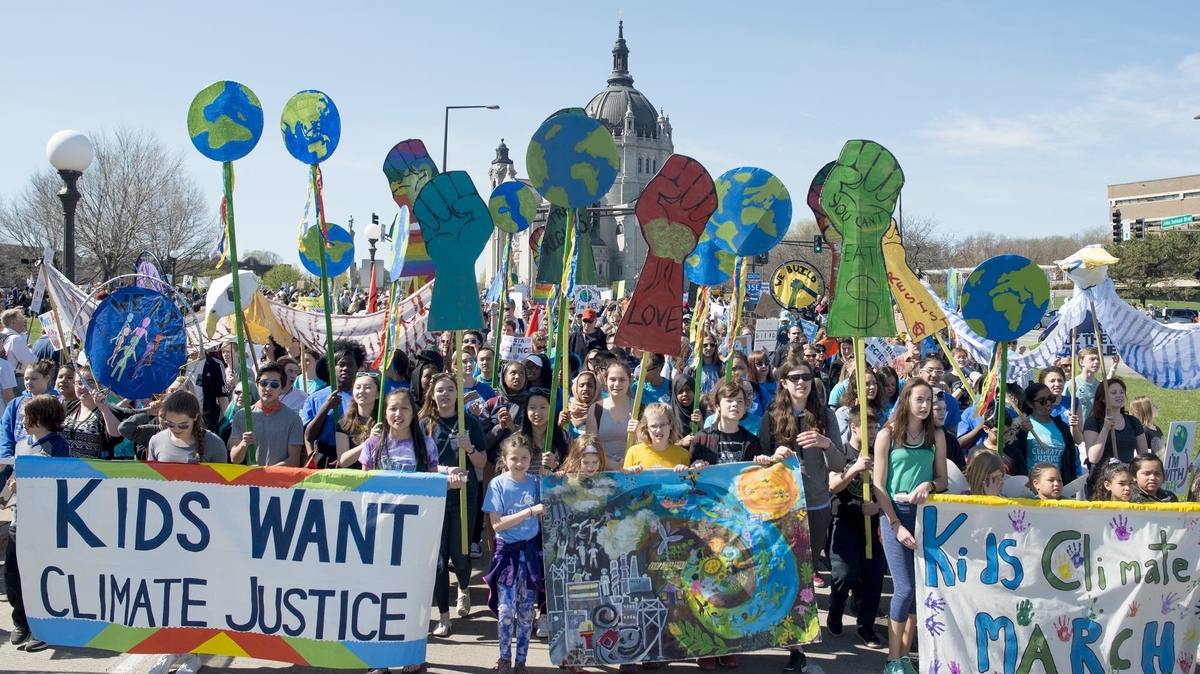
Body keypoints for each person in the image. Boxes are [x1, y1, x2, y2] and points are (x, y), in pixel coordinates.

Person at [872, 378, 947, 674]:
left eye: (929, 400)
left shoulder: (936, 435)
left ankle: (905, 653)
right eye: (920, 399)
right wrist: (894, 524)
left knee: (919, 588)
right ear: (906, 401)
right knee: (903, 587)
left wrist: (929, 484)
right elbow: (879, 485)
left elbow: (942, 479)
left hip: (924, 515)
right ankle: (893, 658)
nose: (925, 405)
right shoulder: (887, 435)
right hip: (895, 514)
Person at [757, 359, 845, 590]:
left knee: (808, 568)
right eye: (794, 378)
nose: (801, 382)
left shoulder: (826, 415)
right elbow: (760, 462)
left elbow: (838, 465)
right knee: (782, 569)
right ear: (784, 382)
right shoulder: (771, 416)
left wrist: (826, 443)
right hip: (782, 504)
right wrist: (774, 456)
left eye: (806, 377)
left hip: (816, 503)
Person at [422, 374, 489, 638]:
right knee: (438, 559)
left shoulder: (469, 422)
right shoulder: (425, 425)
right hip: (435, 497)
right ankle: (444, 617)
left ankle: (463, 588)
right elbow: (421, 464)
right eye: (440, 390)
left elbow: (482, 463)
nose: (446, 394)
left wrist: (469, 448)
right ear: (432, 395)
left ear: (458, 394)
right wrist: (446, 470)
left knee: (460, 557)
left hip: (464, 497)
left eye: (451, 389)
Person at [4, 394, 70, 655]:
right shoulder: (21, 445)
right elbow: (15, 477)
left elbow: (56, 482)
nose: (21, 421)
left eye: (25, 417)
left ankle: (41, 627)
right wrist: (11, 488)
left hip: (42, 524)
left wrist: (29, 484)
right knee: (12, 575)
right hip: (19, 520)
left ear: (40, 418)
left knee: (39, 577)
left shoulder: (57, 446)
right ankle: (20, 620)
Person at [483, 434, 545, 674]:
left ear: (531, 459)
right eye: (514, 458)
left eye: (524, 458)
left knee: (527, 611)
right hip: (506, 552)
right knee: (506, 610)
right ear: (504, 459)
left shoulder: (535, 483)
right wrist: (529, 511)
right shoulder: (497, 484)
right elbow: (497, 524)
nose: (519, 463)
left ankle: (521, 662)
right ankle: (504, 658)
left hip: (529, 552)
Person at [827, 406, 884, 649]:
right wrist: (855, 469)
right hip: (846, 519)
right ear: (853, 427)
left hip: (872, 523)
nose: (873, 432)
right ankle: (836, 609)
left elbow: (887, 486)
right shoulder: (841, 451)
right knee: (843, 574)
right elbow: (833, 486)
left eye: (875, 427)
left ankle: (866, 625)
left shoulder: (881, 452)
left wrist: (879, 508)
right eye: (868, 428)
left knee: (873, 577)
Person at [301, 339, 365, 468]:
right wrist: (326, 408)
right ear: (331, 367)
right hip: (325, 457)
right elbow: (309, 436)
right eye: (341, 364)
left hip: (355, 456)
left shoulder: (363, 397)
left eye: (351, 365)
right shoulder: (315, 398)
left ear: (357, 368)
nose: (345, 368)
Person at [228, 363, 304, 467]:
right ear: (257, 385)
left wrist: (265, 474)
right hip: (251, 480)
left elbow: (294, 460)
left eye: (274, 384)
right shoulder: (242, 415)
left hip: (281, 479)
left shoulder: (293, 419)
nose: (268, 388)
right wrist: (243, 444)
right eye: (264, 383)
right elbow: (235, 459)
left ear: (282, 388)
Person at [1004, 382, 1081, 484]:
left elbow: (1069, 457)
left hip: (1056, 486)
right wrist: (1023, 433)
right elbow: (1013, 453)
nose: (1049, 403)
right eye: (1042, 401)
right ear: (1030, 403)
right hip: (1030, 487)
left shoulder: (1062, 426)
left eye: (1051, 398)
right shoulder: (1019, 424)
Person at [0, 359, 57, 476]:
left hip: (43, 455)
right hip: (15, 457)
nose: (29, 382)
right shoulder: (15, 403)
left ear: (47, 378)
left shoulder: (56, 402)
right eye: (26, 379)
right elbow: (5, 431)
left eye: (34, 379)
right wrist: (6, 456)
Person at [138, 390, 228, 464]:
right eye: (169, 424)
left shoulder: (215, 444)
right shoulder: (156, 441)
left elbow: (223, 483)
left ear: (195, 416)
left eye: (183, 425)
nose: (176, 429)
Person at [691, 380, 762, 469]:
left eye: (740, 401)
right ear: (717, 406)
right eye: (729, 400)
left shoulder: (752, 441)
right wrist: (694, 465)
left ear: (744, 407)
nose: (735, 404)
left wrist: (763, 461)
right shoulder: (701, 439)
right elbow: (689, 474)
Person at [1083, 377, 1147, 467]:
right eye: (1113, 393)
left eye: (1121, 392)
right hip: (1102, 477)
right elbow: (1093, 458)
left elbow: (1144, 456)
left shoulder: (1133, 421)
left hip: (1127, 476)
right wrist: (1105, 429)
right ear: (1103, 398)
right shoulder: (1093, 422)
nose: (1119, 395)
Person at [62, 366, 123, 460]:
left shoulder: (110, 410)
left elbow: (116, 435)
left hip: (93, 471)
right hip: (65, 470)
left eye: (90, 383)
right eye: (79, 383)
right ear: (74, 385)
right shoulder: (67, 406)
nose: (83, 387)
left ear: (100, 385)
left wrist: (103, 407)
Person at [588, 361, 635, 468]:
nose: (617, 384)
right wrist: (613, 465)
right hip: (603, 470)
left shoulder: (640, 409)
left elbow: (648, 443)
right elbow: (591, 445)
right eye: (612, 379)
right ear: (605, 381)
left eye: (622, 380)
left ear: (630, 381)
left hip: (634, 469)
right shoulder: (595, 409)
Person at [331, 372, 380, 467]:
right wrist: (369, 442)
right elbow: (343, 462)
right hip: (354, 479)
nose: (362, 391)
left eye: (368, 387)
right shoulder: (344, 424)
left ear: (378, 394)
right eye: (358, 387)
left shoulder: (384, 422)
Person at [623, 402, 691, 471]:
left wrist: (683, 472)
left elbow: (689, 480)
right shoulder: (633, 452)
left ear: (671, 425)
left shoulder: (683, 455)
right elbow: (623, 480)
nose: (658, 430)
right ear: (646, 428)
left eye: (663, 425)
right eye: (653, 426)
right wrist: (630, 473)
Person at [0, 308, 37, 393]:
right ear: (13, 322)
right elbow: (29, 361)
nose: (24, 322)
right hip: (16, 380)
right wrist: (31, 351)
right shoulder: (16, 339)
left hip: (5, 378)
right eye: (22, 319)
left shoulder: (3, 336)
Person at [1065, 347, 1102, 419]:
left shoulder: (1101, 386)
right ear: (1081, 362)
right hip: (1077, 427)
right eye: (1092, 359)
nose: (1096, 362)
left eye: (1098, 359)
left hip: (1095, 428)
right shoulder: (1072, 384)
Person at [564, 370, 601, 439]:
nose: (585, 389)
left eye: (590, 386)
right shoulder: (566, 410)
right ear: (575, 388)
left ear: (596, 389)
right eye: (581, 386)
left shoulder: (601, 411)